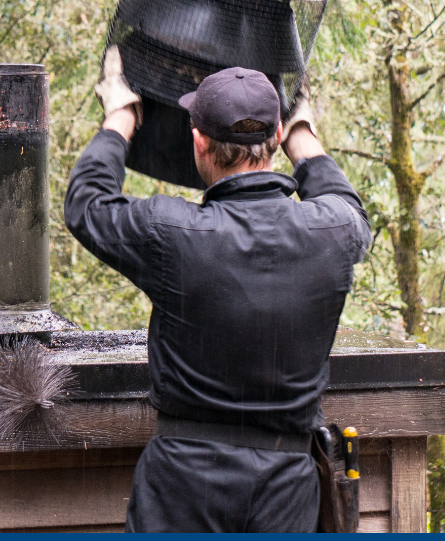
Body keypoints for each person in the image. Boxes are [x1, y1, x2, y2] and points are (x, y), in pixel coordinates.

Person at [65, 47, 373, 532]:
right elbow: (347, 204)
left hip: (181, 492)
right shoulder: (333, 231)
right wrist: (303, 137)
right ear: (274, 139)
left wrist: (120, 117)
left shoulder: (170, 231)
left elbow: (86, 205)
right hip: (287, 495)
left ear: (198, 144)